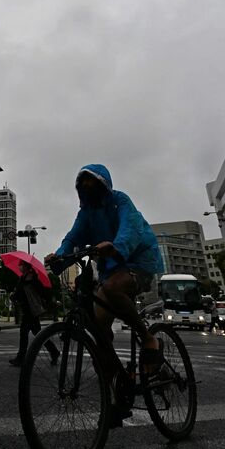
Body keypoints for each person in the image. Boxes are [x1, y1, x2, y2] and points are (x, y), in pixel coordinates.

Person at [46, 163, 164, 427]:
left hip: (139, 262)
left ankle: (148, 339)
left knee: (111, 289)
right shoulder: (85, 213)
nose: (88, 192)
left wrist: (117, 246)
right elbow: (72, 237)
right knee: (99, 333)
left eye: (92, 186)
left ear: (104, 186)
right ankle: (117, 396)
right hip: (111, 268)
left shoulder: (120, 201)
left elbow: (130, 229)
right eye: (83, 188)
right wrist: (59, 258)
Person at [9, 260, 60, 367]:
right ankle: (54, 351)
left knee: (24, 334)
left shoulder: (32, 279)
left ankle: (21, 358)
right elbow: (18, 294)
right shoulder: (22, 278)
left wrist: (51, 301)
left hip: (31, 311)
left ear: (26, 267)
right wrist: (13, 296)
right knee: (38, 334)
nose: (19, 266)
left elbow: (43, 292)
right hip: (27, 310)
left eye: (21, 265)